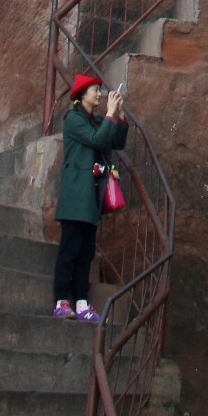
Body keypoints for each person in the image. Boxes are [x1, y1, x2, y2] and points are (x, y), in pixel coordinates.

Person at [53, 73, 129, 321]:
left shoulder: (95, 122)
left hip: (90, 196)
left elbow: (115, 141)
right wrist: (108, 114)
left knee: (86, 252)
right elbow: (97, 141)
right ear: (81, 95)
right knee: (70, 250)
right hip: (76, 195)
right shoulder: (74, 121)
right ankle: (61, 301)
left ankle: (82, 303)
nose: (99, 93)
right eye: (95, 90)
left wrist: (118, 115)